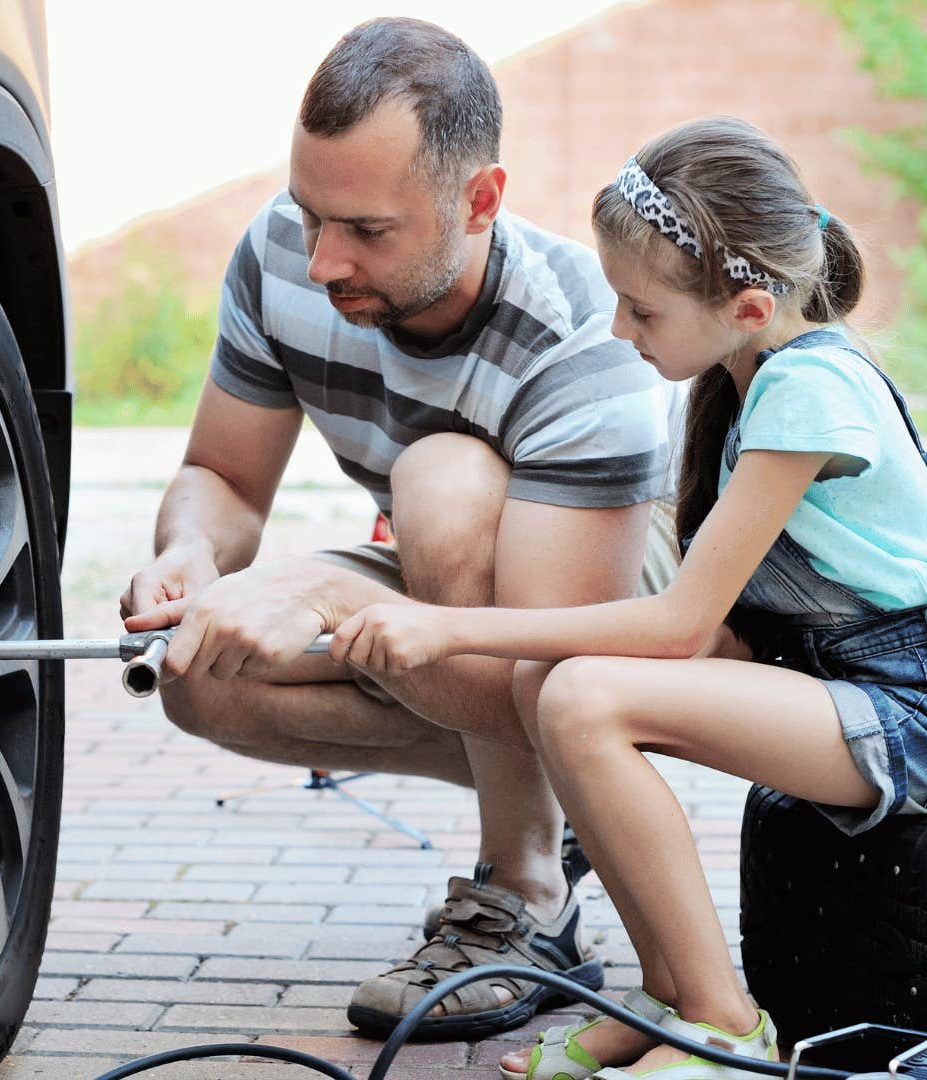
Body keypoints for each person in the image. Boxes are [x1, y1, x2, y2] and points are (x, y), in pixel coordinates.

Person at [327, 116, 927, 1078]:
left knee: (580, 694)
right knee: (551, 687)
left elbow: (680, 624)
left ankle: (726, 1026)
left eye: (641, 312)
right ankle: (668, 995)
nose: (618, 330)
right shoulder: (749, 371)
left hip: (914, 710)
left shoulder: (810, 391)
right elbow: (713, 624)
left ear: (749, 305)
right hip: (837, 680)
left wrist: (445, 627)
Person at [118, 18, 689, 1039]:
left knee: (439, 475)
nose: (325, 260)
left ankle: (527, 896)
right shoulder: (280, 260)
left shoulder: (582, 341)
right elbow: (224, 476)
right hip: (471, 602)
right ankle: (573, 813)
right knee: (202, 672)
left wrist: (333, 597)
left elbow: (550, 674)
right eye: (310, 214)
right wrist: (191, 551)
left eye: (369, 232)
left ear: (480, 203)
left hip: (606, 615)